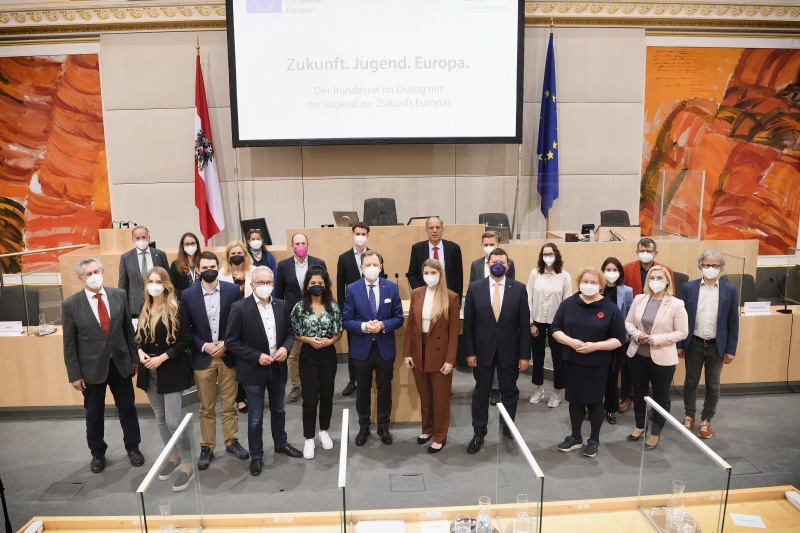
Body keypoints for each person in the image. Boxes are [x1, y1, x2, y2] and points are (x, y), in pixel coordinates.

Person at [62, 257, 144, 473]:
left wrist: (134, 358)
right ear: (81, 278)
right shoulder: (70, 305)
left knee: (128, 409)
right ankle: (97, 453)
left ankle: (133, 447)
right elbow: (69, 344)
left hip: (120, 364)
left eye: (96, 271)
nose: (94, 276)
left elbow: (129, 331)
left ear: (103, 271)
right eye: (89, 274)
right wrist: (74, 374)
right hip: (91, 370)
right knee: (94, 414)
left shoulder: (119, 295)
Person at [225, 266, 303, 476]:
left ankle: (281, 443)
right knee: (256, 417)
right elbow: (231, 341)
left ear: (274, 284)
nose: (265, 286)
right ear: (252, 285)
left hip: (277, 369)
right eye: (260, 283)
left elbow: (289, 333)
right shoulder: (239, 308)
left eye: (269, 283)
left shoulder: (282, 305)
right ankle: (257, 455)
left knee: (279, 410)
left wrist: (286, 348)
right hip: (253, 371)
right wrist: (256, 356)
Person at [179, 251, 249, 470]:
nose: (209, 270)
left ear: (219, 267)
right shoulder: (188, 295)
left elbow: (238, 322)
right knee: (206, 407)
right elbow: (186, 329)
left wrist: (227, 343)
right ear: (198, 270)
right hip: (203, 356)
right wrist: (205, 346)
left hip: (228, 354)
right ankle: (207, 445)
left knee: (229, 404)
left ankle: (232, 441)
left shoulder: (232, 291)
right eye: (205, 267)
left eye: (213, 266)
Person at [551, 267, 626, 458]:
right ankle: (575, 437)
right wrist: (570, 341)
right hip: (572, 360)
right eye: (585, 281)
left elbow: (619, 338)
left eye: (594, 282)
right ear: (579, 283)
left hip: (597, 363)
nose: (589, 285)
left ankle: (594, 440)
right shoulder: (568, 304)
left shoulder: (610, 308)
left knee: (594, 402)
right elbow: (555, 328)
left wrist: (596, 346)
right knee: (575, 400)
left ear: (601, 285)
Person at [464, 248, 531, 455]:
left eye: (502, 262)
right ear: (488, 263)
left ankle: (508, 430)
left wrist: (524, 355)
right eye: (494, 261)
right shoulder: (475, 288)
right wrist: (470, 352)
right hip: (482, 350)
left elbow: (524, 325)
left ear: (508, 265)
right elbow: (468, 324)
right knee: (481, 393)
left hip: (509, 350)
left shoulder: (518, 288)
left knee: (509, 392)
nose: (498, 265)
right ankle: (479, 432)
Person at [134, 267, 194, 491]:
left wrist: (162, 358)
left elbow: (185, 340)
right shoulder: (146, 307)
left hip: (171, 370)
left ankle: (188, 463)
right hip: (149, 372)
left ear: (166, 284)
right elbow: (139, 337)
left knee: (173, 421)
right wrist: (139, 352)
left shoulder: (177, 306)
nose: (154, 284)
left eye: (158, 281)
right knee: (160, 419)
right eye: (150, 280)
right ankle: (173, 456)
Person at [342, 250, 404, 447]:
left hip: (384, 348)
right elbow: (346, 320)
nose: (371, 268)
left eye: (374, 264)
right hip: (361, 349)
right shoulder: (352, 289)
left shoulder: (391, 288)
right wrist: (363, 327)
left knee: (384, 389)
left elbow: (399, 318)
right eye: (367, 265)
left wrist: (384, 325)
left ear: (381, 267)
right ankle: (363, 427)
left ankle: (383, 427)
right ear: (361, 268)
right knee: (363, 391)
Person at [624, 265, 688, 450]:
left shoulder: (676, 304)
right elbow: (628, 322)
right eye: (652, 278)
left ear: (667, 280)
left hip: (662, 358)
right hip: (637, 355)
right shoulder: (639, 299)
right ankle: (639, 426)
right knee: (639, 393)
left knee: (661, 397)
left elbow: (683, 332)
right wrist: (637, 335)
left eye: (660, 278)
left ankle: (656, 432)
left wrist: (656, 339)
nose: (656, 281)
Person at [677, 250, 739, 439]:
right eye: (707, 265)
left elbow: (733, 322)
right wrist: (680, 344)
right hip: (694, 343)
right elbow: (681, 318)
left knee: (713, 385)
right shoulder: (688, 287)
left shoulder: (729, 290)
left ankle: (706, 419)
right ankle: (689, 416)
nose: (710, 268)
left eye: (715, 265)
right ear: (700, 266)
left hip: (717, 346)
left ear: (720, 268)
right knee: (690, 382)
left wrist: (731, 349)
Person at [403, 259, 460, 453]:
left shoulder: (451, 297)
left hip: (440, 352)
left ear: (440, 274)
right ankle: (426, 429)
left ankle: (439, 435)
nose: (429, 276)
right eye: (426, 272)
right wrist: (407, 353)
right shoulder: (416, 293)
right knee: (425, 395)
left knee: (440, 398)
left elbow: (454, 331)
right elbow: (410, 325)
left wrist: (450, 360)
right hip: (419, 348)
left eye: (433, 272)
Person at [291, 265, 343, 459]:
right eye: (313, 283)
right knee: (310, 399)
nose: (316, 286)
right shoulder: (299, 307)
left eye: (320, 283)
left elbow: (338, 332)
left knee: (327, 395)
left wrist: (330, 341)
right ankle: (309, 438)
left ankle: (324, 431)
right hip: (308, 356)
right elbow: (295, 333)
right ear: (307, 285)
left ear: (326, 284)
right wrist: (309, 340)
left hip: (329, 355)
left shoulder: (333, 306)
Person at [619, 238, 675, 415]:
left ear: (655, 253)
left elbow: (671, 300)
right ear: (637, 252)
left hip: (658, 326)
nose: (645, 253)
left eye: (648, 250)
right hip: (635, 321)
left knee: (656, 373)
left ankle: (655, 406)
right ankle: (627, 397)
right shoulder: (627, 268)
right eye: (642, 250)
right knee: (630, 367)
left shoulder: (665, 271)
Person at [275, 232, 327, 403]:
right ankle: (296, 386)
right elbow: (279, 293)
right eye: (297, 243)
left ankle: (316, 385)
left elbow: (324, 288)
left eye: (303, 243)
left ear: (308, 244)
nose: (300, 246)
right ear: (292, 246)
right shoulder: (283, 266)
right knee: (294, 354)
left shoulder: (318, 263)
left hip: (315, 313)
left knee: (316, 350)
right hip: (292, 314)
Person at [469, 230, 516, 405]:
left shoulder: (508, 263)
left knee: (501, 360)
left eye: (492, 244)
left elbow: (511, 289)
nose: (489, 247)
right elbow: (471, 288)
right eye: (485, 244)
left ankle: (496, 389)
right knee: (484, 362)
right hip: (483, 318)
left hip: (502, 318)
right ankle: (485, 387)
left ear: (498, 244)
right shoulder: (475, 264)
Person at [526, 243, 571, 409]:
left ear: (556, 255)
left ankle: (557, 392)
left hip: (556, 323)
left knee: (558, 359)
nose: (548, 256)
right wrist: (531, 322)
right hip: (536, 320)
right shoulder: (534, 273)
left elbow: (567, 303)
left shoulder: (564, 276)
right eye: (545, 254)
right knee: (537, 357)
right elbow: (528, 298)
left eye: (551, 253)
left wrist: (562, 327)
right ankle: (539, 389)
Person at [218, 240, 256, 412]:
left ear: (245, 254)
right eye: (232, 254)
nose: (236, 256)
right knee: (236, 361)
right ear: (228, 256)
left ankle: (254, 393)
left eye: (239, 253)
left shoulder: (254, 272)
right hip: (231, 322)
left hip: (252, 321)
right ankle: (240, 398)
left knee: (251, 358)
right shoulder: (221, 275)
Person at [336, 222, 371, 397]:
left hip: (371, 309)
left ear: (368, 235)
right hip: (353, 312)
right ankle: (353, 380)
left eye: (363, 233)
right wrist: (344, 313)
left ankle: (367, 380)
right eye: (357, 233)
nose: (360, 236)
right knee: (353, 347)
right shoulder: (344, 258)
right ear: (352, 234)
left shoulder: (374, 257)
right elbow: (340, 287)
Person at [600, 257, 633, 425]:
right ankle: (593, 407)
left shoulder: (626, 291)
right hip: (598, 339)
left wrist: (626, 332)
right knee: (597, 375)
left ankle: (610, 409)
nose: (611, 273)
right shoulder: (597, 288)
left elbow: (629, 313)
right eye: (608, 269)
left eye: (614, 270)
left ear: (620, 272)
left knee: (613, 375)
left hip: (617, 340)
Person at [118, 226, 169, 316]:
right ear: (133, 240)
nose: (141, 240)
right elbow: (123, 284)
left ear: (149, 238)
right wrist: (123, 306)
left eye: (144, 237)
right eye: (138, 238)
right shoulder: (126, 257)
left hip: (159, 302)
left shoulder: (160, 254)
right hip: (135, 306)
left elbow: (167, 279)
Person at [407, 216, 463, 298]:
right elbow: (412, 274)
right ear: (426, 230)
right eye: (431, 228)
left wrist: (457, 300)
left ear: (442, 230)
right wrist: (420, 292)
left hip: (447, 295)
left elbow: (458, 277)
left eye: (438, 227)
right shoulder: (417, 249)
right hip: (425, 296)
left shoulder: (453, 248)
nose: (434, 231)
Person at [168, 232, 202, 301]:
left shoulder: (203, 262)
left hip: (203, 299)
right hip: (184, 301)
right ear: (182, 246)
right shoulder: (176, 264)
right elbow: (171, 287)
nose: (190, 246)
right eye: (187, 244)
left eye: (192, 243)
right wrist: (187, 294)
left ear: (197, 245)